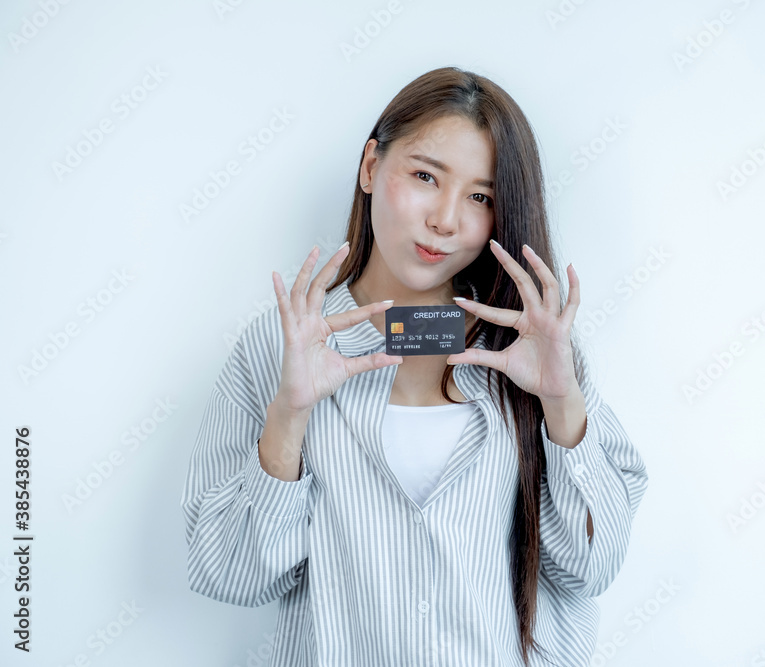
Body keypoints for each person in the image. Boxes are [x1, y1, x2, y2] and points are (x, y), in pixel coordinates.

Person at [181, 66, 648, 667]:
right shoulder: (278, 351)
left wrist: (562, 405)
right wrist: (289, 418)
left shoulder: (538, 351)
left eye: (480, 197)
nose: (446, 220)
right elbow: (229, 576)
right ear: (371, 166)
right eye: (426, 176)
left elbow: (593, 567)